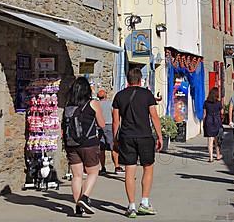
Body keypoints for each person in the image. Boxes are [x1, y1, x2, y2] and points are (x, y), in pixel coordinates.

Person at [113, 68, 163, 218]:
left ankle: (131, 206)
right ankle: (145, 202)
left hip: (127, 137)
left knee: (129, 171)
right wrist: (160, 136)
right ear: (140, 80)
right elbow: (154, 116)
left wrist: (115, 139)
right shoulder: (147, 95)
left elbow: (116, 121)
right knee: (148, 168)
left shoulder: (119, 96)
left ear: (127, 80)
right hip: (145, 136)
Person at [64, 77, 106, 216]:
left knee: (77, 176)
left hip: (71, 144)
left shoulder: (68, 105)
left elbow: (63, 126)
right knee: (93, 172)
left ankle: (78, 208)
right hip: (89, 143)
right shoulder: (93, 103)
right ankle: (85, 197)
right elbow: (102, 124)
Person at [97, 89, 124, 176]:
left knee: (102, 148)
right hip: (109, 125)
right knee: (114, 146)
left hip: (99, 126)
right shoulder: (110, 103)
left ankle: (103, 168)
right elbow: (115, 115)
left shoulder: (96, 104)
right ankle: (117, 166)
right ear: (105, 95)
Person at [203, 87, 224, 163]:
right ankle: (218, 155)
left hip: (208, 120)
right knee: (217, 139)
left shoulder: (206, 102)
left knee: (210, 140)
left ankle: (211, 157)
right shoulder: (218, 103)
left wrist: (204, 123)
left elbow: (204, 114)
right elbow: (222, 112)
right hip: (216, 120)